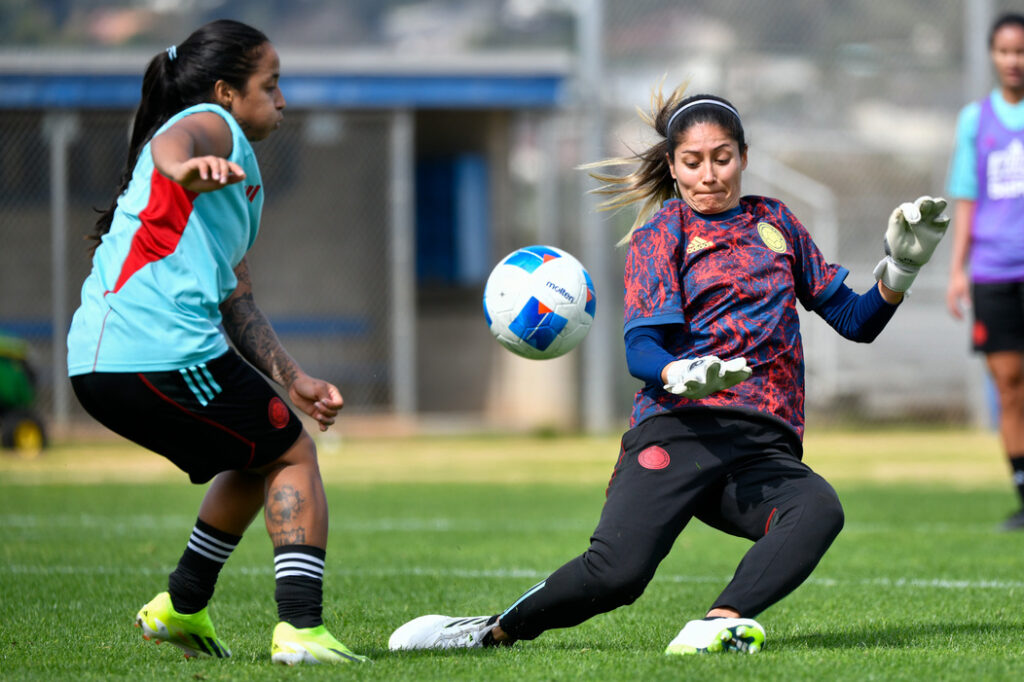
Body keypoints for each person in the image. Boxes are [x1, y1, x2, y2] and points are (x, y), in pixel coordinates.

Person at [387, 88, 949, 656]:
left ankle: (716, 625)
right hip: (679, 431)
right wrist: (680, 374)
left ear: (744, 157)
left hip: (760, 449)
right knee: (616, 576)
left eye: (722, 157)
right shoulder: (663, 233)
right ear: (674, 167)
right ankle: (488, 631)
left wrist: (901, 270)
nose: (710, 174)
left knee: (817, 509)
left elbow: (856, 320)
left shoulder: (776, 221)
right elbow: (641, 350)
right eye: (693, 161)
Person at [66, 20, 366, 665]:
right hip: (154, 354)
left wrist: (295, 379)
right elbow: (177, 140)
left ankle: (181, 607)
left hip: (107, 360)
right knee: (292, 455)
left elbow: (237, 297)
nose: (282, 99)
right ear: (228, 92)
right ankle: (301, 632)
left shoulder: (234, 175)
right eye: (271, 84)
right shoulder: (209, 124)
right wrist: (181, 165)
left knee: (255, 451)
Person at [946, 12, 1024, 531]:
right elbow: (968, 199)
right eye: (1004, 52)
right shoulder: (976, 120)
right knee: (1009, 385)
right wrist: (958, 270)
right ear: (993, 56)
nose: (1013, 61)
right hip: (993, 274)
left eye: (1020, 51)